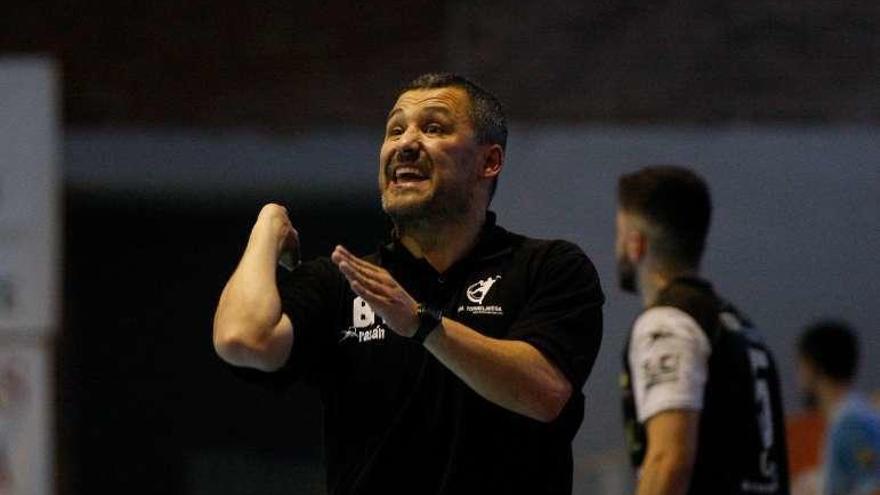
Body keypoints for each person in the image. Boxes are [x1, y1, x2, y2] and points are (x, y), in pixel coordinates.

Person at [213, 73, 604, 494]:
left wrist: (421, 324)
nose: (405, 143)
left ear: (489, 162)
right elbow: (242, 339)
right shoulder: (343, 282)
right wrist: (267, 228)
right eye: (395, 129)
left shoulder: (548, 266)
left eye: (433, 127)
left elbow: (544, 393)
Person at [615, 165, 790, 495]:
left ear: (635, 244)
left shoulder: (666, 323)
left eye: (619, 234)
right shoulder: (740, 327)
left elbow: (668, 461)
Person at [797, 320, 880, 495]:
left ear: (812, 367)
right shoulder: (851, 416)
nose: (799, 378)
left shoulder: (851, 422)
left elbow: (872, 483)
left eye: (801, 367)